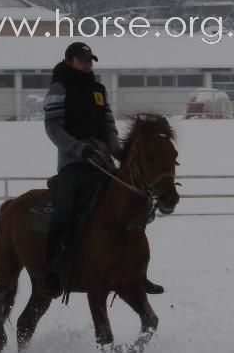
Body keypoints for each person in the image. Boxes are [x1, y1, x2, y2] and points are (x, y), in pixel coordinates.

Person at [42, 41, 164, 298]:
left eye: (90, 60)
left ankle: (137, 273)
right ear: (69, 60)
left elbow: (108, 125)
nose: (88, 64)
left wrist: (117, 150)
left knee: (131, 205)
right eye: (83, 59)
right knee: (63, 210)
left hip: (102, 163)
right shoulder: (59, 87)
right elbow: (53, 127)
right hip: (73, 163)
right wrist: (78, 149)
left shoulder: (98, 89)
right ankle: (52, 271)